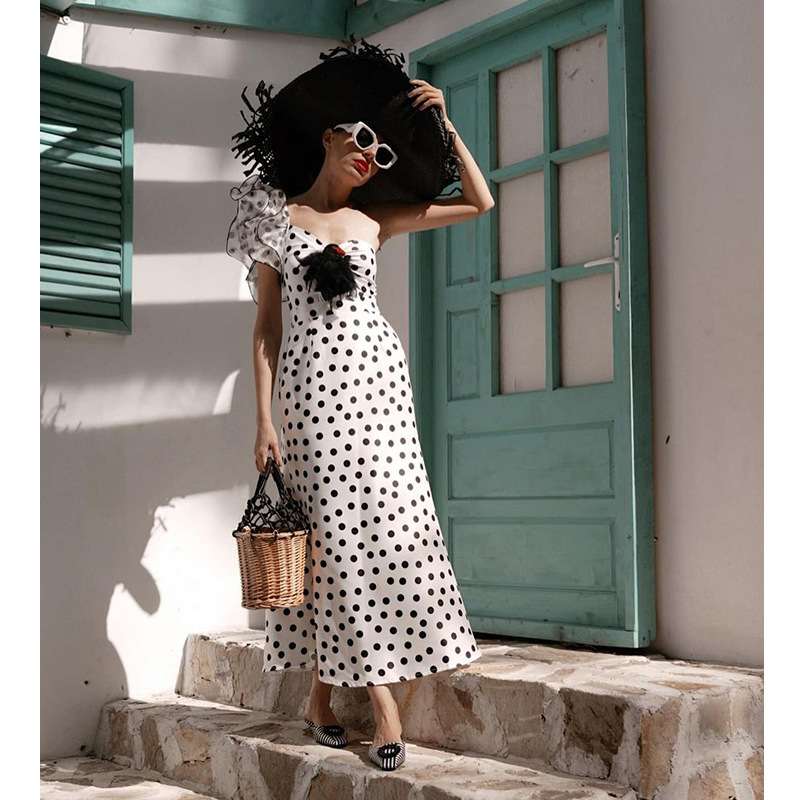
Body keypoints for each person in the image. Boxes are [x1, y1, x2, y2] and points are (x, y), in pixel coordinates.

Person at [227, 39, 494, 772]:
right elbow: (265, 330)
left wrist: (444, 126)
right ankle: (380, 704)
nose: (370, 159)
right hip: (312, 397)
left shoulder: (378, 222)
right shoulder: (274, 221)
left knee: (383, 524)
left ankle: (319, 702)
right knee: (335, 540)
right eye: (363, 141)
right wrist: (263, 419)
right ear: (329, 136)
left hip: (379, 388)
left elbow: (479, 200)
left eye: (382, 155)